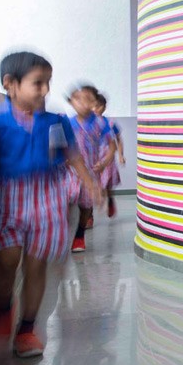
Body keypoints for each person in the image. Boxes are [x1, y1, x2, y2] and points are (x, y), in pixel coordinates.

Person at [0, 51, 99, 357]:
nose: (45, 90)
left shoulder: (56, 122)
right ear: (10, 84)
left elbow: (73, 156)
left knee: (36, 264)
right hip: (8, 197)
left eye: (48, 82)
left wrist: (90, 183)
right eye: (38, 83)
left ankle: (27, 329)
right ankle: (5, 304)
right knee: (7, 259)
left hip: (48, 197)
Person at [67, 84, 117, 252]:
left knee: (86, 206)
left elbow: (112, 146)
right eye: (78, 99)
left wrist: (104, 163)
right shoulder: (67, 123)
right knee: (65, 201)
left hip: (91, 171)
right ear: (71, 101)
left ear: (95, 103)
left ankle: (79, 234)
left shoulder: (101, 123)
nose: (82, 103)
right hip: (69, 172)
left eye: (88, 99)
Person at [94, 93, 125, 218]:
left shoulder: (110, 123)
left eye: (98, 106)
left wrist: (121, 155)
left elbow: (118, 139)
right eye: (93, 106)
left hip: (107, 156)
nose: (95, 109)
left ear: (104, 107)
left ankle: (110, 199)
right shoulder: (87, 123)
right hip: (93, 156)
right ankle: (89, 214)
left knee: (106, 182)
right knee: (94, 182)